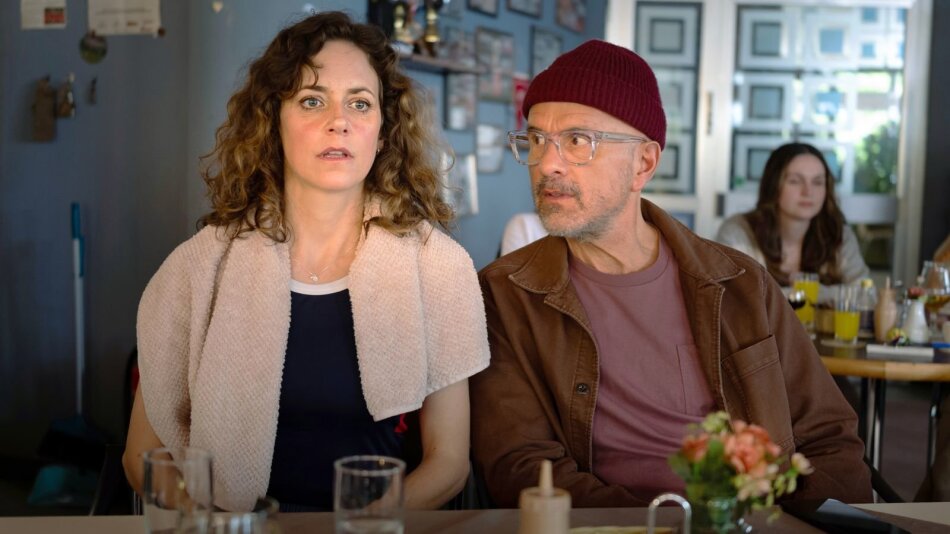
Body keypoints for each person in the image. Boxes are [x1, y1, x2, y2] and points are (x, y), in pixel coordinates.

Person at [470, 39, 871, 508]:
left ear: (643, 163)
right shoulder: (504, 294)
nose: (547, 163)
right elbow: (522, 467)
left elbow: (829, 439)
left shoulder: (740, 284)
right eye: (537, 140)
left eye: (578, 141)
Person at [122, 11, 490, 512]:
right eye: (312, 100)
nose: (339, 121)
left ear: (383, 132)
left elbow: (448, 464)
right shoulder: (195, 269)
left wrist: (364, 525)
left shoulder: (439, 267)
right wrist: (215, 523)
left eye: (360, 103)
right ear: (273, 122)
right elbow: (142, 455)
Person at [716, 143, 869, 287]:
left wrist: (811, 292)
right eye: (795, 181)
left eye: (817, 182)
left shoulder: (839, 235)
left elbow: (866, 293)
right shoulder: (738, 233)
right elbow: (737, 299)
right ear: (773, 185)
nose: (808, 192)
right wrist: (824, 294)